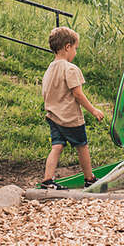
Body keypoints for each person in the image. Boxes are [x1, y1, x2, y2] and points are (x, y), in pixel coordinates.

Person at [39, 26, 104, 189]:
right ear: (67, 47)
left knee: (57, 146)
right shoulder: (70, 69)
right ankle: (89, 178)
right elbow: (78, 94)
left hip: (53, 116)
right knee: (82, 146)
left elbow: (45, 93)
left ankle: (47, 180)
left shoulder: (49, 69)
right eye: (75, 48)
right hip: (70, 118)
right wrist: (94, 110)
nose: (75, 52)